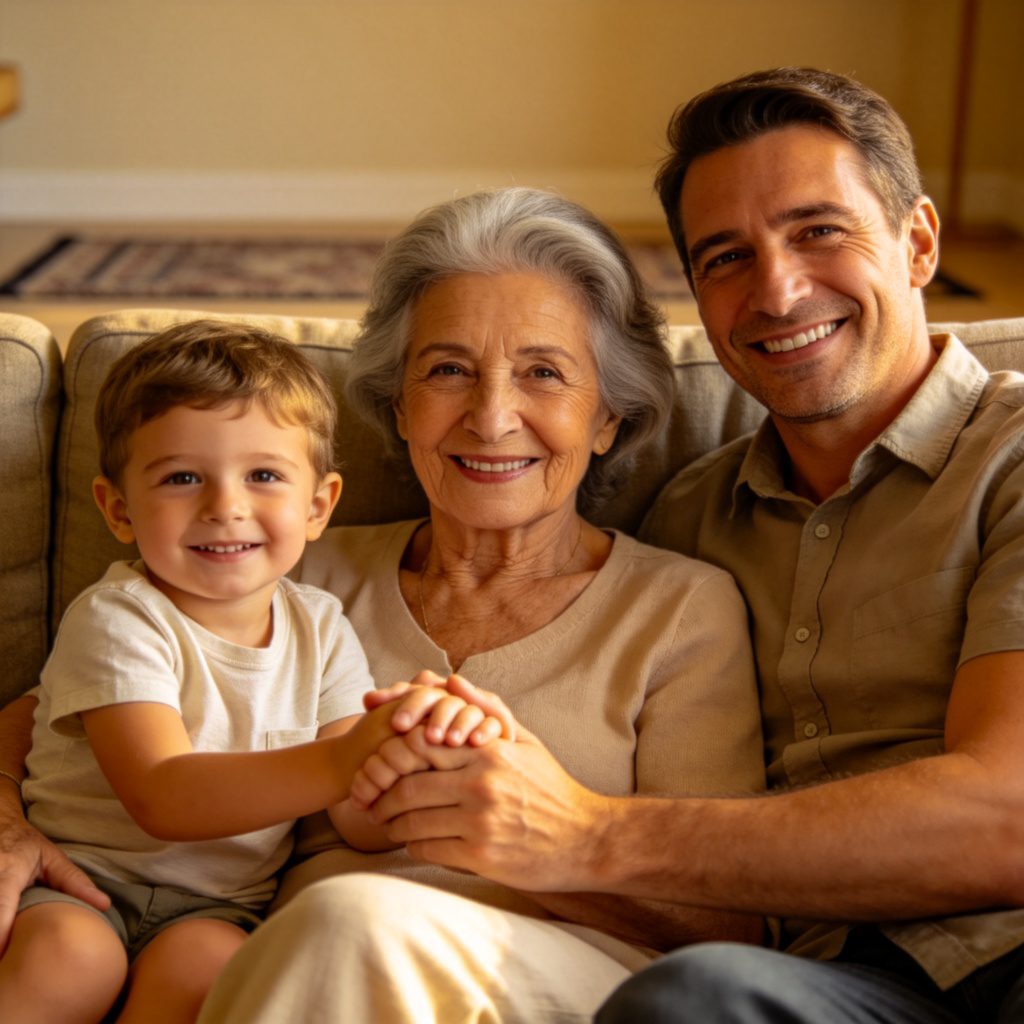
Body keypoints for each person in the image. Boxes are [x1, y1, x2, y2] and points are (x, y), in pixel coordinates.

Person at [314, 69, 1024, 1023]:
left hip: (1003, 953)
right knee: (693, 1000)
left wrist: (585, 835)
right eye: (726, 256)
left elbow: (1008, 817)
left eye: (819, 230)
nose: (776, 289)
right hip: (813, 984)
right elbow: (156, 633)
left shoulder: (1011, 461)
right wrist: (33, 799)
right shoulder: (691, 517)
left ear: (920, 241)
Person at [191, 186, 767, 1022]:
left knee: (350, 917)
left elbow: (725, 922)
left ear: (607, 415)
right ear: (398, 404)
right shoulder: (295, 576)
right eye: (449, 370)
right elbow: (87, 688)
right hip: (302, 977)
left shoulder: (680, 611)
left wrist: (537, 842)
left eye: (543, 373)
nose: (493, 418)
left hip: (562, 987)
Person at [0, 321, 507, 1024]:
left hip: (218, 908)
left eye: (263, 475)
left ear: (318, 505)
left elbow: (354, 818)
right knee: (73, 961)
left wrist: (412, 755)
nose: (225, 506)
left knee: (209, 972)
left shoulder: (322, 627)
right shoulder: (118, 617)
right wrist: (345, 758)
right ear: (118, 509)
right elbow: (162, 795)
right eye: (182, 478)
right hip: (82, 880)